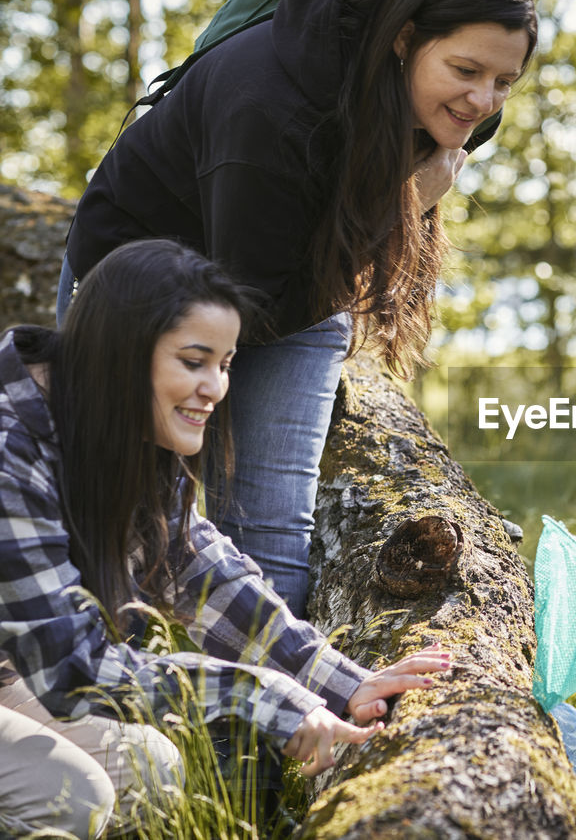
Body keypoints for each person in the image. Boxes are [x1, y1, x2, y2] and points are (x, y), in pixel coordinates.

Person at [61, 0, 539, 617]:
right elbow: (252, 314)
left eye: (505, 80)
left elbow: (283, 303)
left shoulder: (461, 104)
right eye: (466, 72)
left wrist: (391, 210)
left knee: (269, 529)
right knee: (117, 517)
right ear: (404, 38)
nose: (482, 101)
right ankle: (95, 686)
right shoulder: (269, 107)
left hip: (296, 276)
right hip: (136, 287)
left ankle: (273, 707)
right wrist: (405, 207)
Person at [0, 240, 452, 837]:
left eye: (226, 363)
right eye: (193, 361)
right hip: (35, 674)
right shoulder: (10, 455)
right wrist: (266, 698)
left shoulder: (104, 421)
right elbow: (72, 672)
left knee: (150, 768)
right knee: (71, 797)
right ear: (119, 356)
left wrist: (343, 683)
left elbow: (197, 568)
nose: (215, 387)